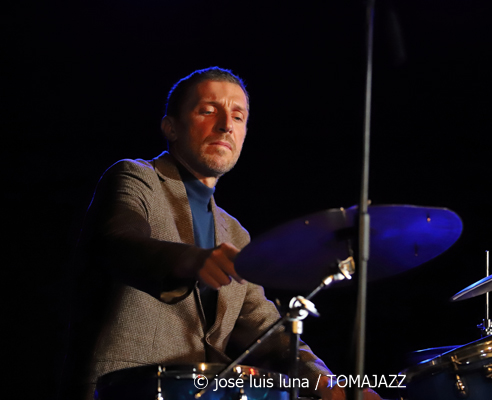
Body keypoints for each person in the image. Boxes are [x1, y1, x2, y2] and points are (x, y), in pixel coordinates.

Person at [63, 67, 357, 400]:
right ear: (171, 127)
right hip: (122, 390)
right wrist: (192, 261)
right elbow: (118, 243)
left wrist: (330, 385)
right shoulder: (135, 177)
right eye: (207, 111)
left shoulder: (235, 233)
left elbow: (267, 332)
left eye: (238, 116)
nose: (226, 124)